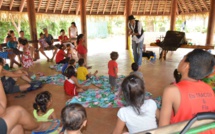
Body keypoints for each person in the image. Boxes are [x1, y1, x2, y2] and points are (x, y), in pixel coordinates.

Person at [159, 49, 215, 127]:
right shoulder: (209, 89)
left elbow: (163, 128)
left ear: (186, 66)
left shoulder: (171, 91)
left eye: (183, 59)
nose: (181, 61)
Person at [0, 64, 59, 134]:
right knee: (17, 111)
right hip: (7, 88)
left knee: (17, 128)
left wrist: (22, 72)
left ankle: (31, 82)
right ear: (49, 102)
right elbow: (2, 109)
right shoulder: (51, 111)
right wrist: (22, 73)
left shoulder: (35, 111)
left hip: (9, 85)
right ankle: (40, 127)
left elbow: (13, 73)